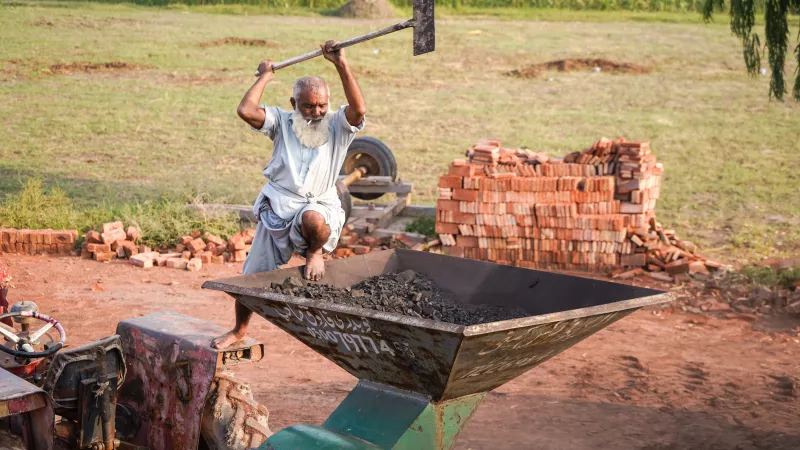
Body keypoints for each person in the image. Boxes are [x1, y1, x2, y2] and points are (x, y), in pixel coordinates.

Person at [211, 40, 366, 349]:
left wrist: (341, 63)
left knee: (313, 218)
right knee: (250, 277)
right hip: (279, 208)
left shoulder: (337, 124)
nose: (316, 111)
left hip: (319, 206)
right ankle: (239, 330)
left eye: (321, 105)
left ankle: (314, 253)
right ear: (294, 103)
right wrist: (265, 75)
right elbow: (245, 110)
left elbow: (359, 109)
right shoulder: (281, 121)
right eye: (309, 105)